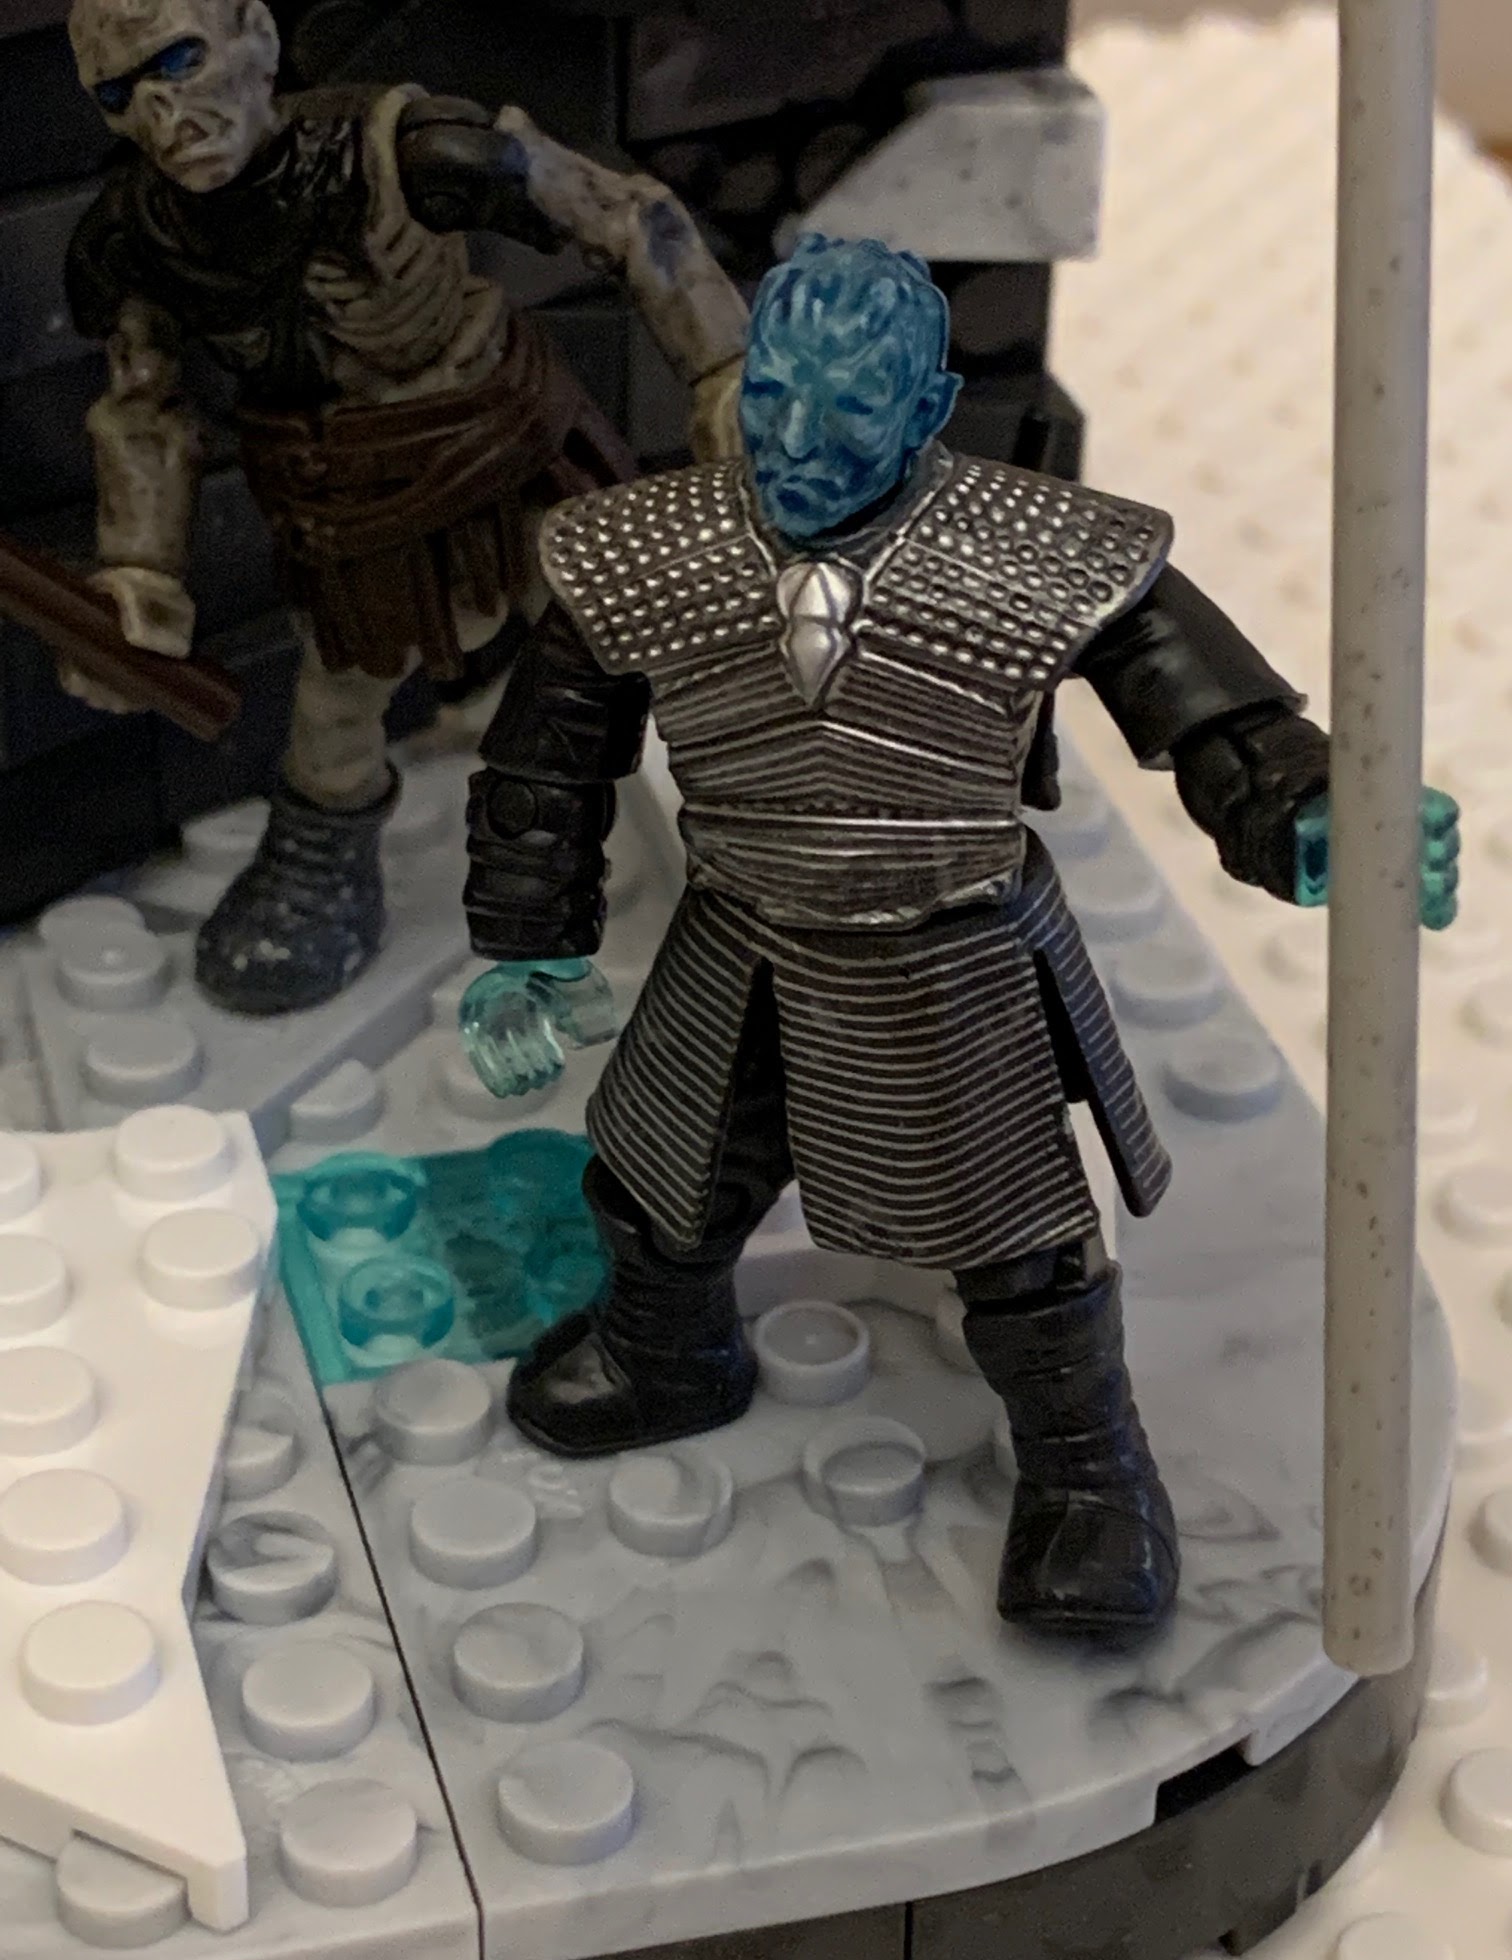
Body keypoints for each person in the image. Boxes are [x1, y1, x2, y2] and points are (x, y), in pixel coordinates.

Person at [462, 234, 1457, 1644]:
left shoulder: (1036, 551)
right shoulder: (651, 546)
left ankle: (1088, 1469)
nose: (798, 446)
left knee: (1019, 1237)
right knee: (659, 1175)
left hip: (948, 955)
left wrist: (1317, 815)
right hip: (738, 928)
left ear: (930, 410)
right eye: (774, 402)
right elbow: (547, 759)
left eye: (848, 413)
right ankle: (664, 1354)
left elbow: (1212, 718)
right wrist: (531, 944)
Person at [60, 0, 749, 1014]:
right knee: (338, 701)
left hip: (503, 450)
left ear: (255, 37)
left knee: (639, 627)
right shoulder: (139, 239)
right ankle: (321, 866)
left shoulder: (402, 152)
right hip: (345, 501)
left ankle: (758, 832)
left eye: (178, 63)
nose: (163, 117)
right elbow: (142, 409)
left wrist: (725, 370)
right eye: (120, 95)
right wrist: (140, 574)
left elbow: (620, 214)